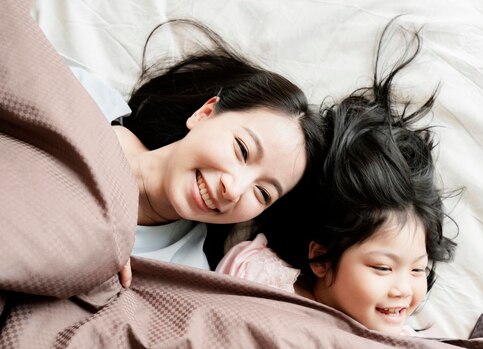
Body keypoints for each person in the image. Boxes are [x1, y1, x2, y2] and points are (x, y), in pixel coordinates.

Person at [217, 20, 483, 347]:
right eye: (382, 267)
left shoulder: (402, 342)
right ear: (321, 258)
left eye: (417, 269)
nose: (404, 290)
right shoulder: (259, 274)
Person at [99, 20, 325, 287]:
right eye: (242, 150)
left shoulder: (184, 277)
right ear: (204, 113)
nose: (234, 189)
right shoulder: (87, 100)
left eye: (262, 193)